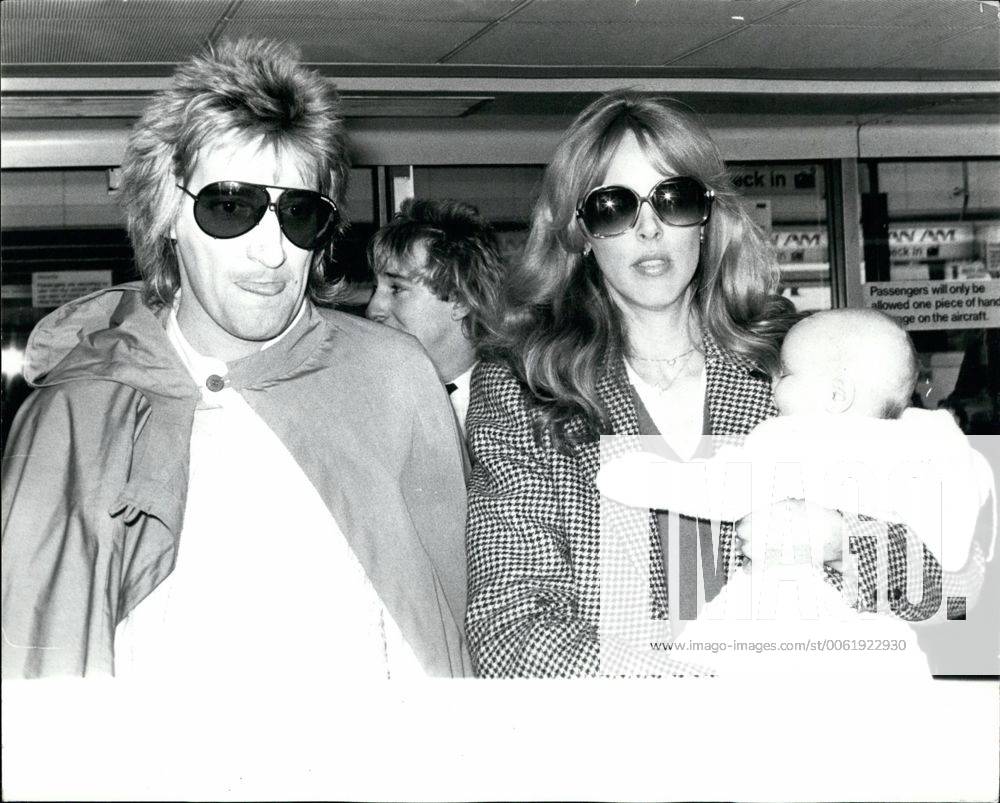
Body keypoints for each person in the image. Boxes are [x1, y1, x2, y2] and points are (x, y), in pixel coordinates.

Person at [1, 39, 470, 680]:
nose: (271, 253)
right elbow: (37, 669)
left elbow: (441, 636)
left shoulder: (393, 379)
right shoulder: (79, 411)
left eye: (299, 213)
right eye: (231, 207)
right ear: (169, 212)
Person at [465, 91, 944, 678]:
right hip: (619, 745)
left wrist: (839, 538)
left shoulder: (788, 365)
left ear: (707, 215)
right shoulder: (525, 383)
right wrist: (704, 693)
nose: (648, 229)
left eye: (674, 199)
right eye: (614, 206)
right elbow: (508, 626)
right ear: (581, 230)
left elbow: (938, 580)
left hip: (812, 735)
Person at [597, 309, 995, 673]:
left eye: (784, 374)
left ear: (836, 396)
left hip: (776, 620)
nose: (771, 382)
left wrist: (634, 475)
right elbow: (954, 539)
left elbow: (717, 486)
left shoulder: (790, 438)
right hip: (874, 642)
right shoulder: (924, 445)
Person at [366, 199, 506, 439]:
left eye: (396, 288)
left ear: (460, 300)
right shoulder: (366, 404)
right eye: (374, 289)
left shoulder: (528, 413)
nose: (373, 309)